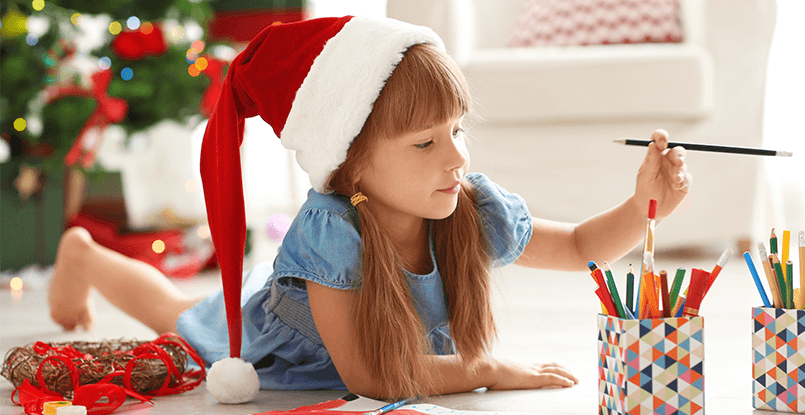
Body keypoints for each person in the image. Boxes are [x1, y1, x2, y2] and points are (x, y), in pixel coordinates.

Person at [48, 16, 690, 401]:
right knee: (177, 315)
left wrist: (643, 204)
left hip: (387, 355)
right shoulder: (333, 231)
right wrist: (488, 369)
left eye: (457, 130)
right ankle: (85, 255)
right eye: (425, 143)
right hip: (286, 346)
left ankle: (86, 256)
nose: (457, 158)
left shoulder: (466, 205)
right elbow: (370, 375)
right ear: (351, 163)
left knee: (177, 308)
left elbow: (579, 248)